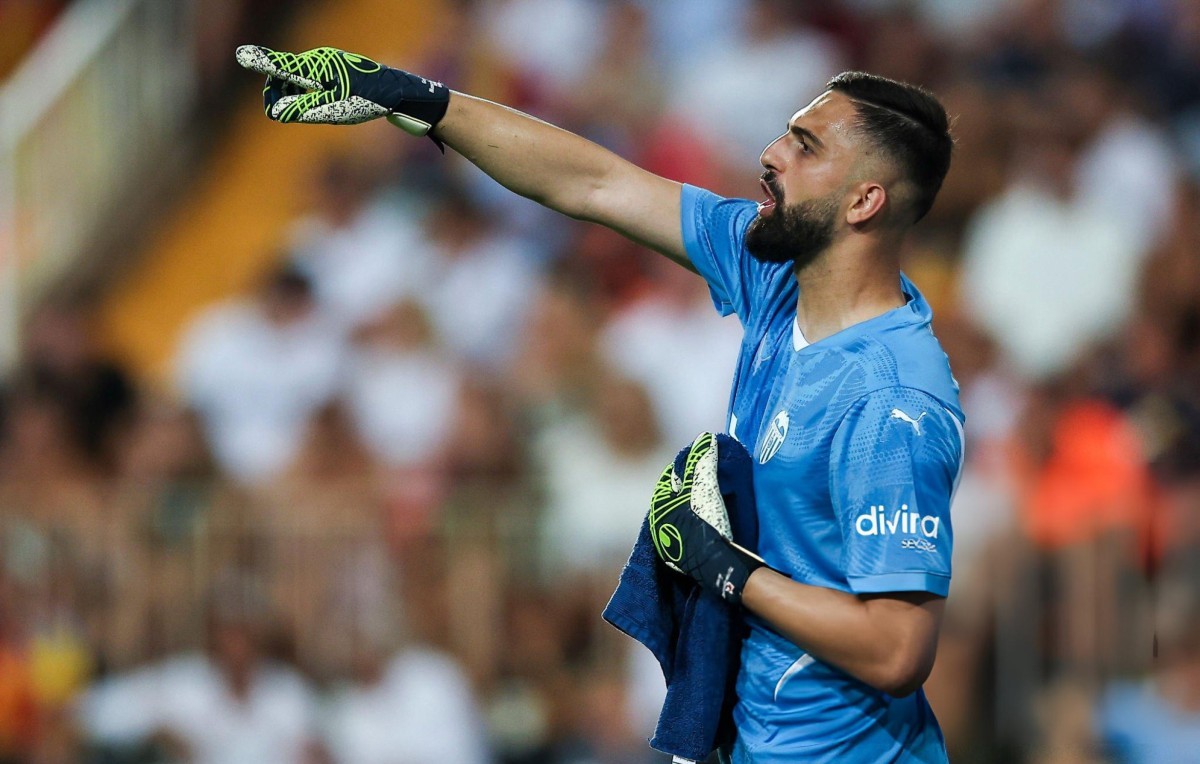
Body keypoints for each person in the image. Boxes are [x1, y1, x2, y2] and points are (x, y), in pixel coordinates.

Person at [236, 44, 963, 763]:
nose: (771, 154)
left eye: (806, 146)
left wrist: (727, 569)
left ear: (864, 201)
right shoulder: (774, 275)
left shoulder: (892, 400)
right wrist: (419, 100)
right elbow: (594, 183)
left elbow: (896, 649)